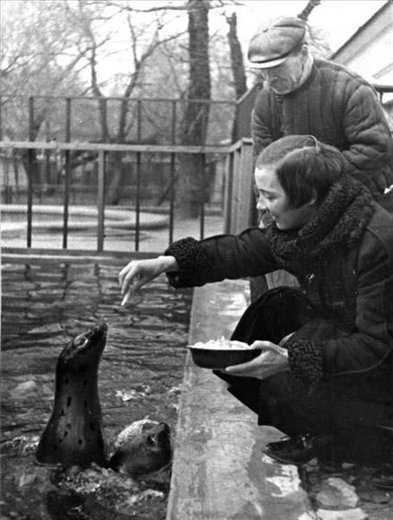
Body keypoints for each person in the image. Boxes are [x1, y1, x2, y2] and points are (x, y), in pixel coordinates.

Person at [119, 135, 393, 465]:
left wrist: (292, 358)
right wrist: (168, 262)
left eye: (269, 196)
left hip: (382, 369)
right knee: (275, 308)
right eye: (258, 194)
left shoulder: (376, 242)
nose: (260, 205)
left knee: (293, 363)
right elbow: (242, 250)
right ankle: (311, 423)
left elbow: (376, 347)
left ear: (309, 197)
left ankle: (339, 436)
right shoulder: (316, 220)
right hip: (346, 330)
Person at [247, 17, 393, 210]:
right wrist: (269, 209)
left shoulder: (350, 88)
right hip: (297, 202)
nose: (269, 79)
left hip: (355, 198)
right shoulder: (265, 102)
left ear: (304, 53)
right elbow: (262, 161)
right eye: (262, 71)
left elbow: (374, 149)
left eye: (277, 68)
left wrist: (311, 182)